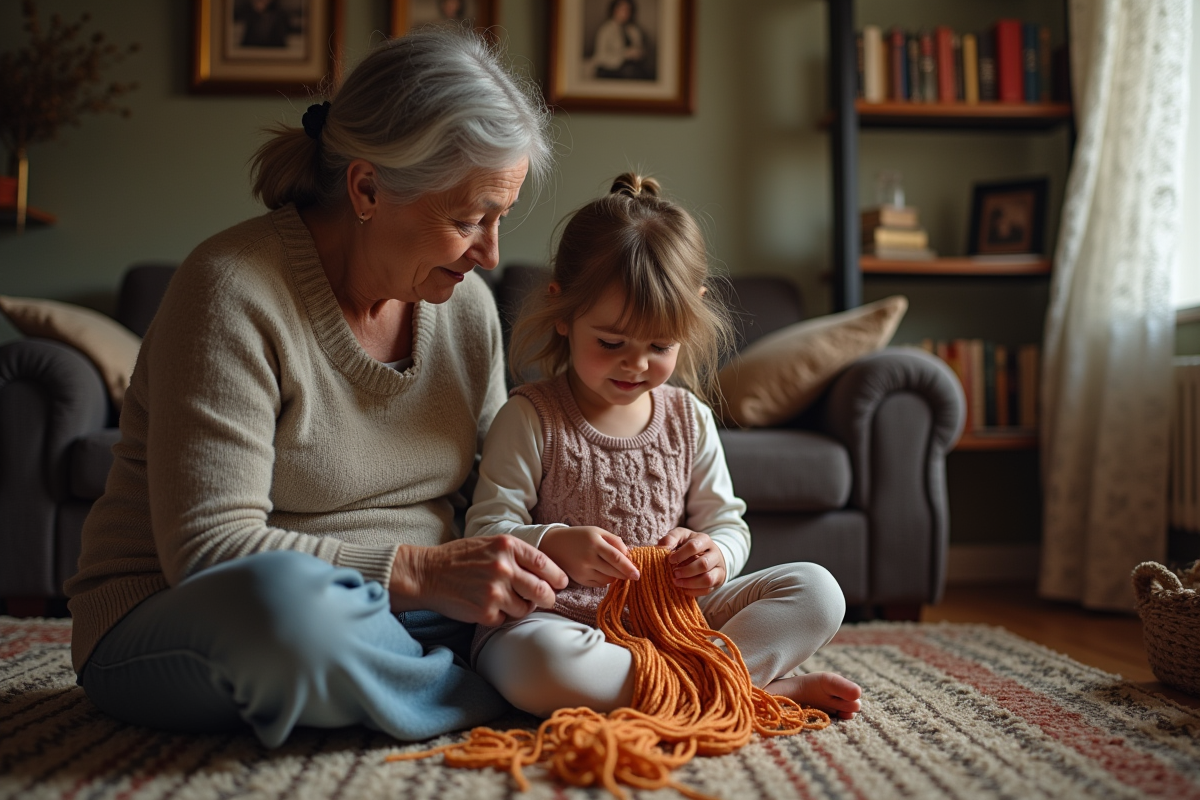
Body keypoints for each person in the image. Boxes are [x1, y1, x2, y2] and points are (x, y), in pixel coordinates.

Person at [63, 29, 565, 748]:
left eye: (499, 219)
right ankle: (492, 697)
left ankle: (424, 680)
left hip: (404, 618)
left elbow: (491, 497)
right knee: (293, 616)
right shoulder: (232, 289)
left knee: (564, 607)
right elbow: (209, 548)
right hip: (195, 613)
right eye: (467, 219)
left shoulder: (468, 308)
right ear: (367, 187)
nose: (489, 253)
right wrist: (419, 570)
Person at [465, 173, 864, 721]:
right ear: (562, 312)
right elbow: (485, 532)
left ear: (690, 315)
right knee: (538, 663)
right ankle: (745, 687)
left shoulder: (688, 419)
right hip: (559, 618)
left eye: (659, 345)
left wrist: (715, 556)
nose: (636, 364)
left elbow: (728, 524)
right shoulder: (530, 416)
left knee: (819, 593)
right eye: (611, 343)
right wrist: (554, 543)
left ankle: (682, 686)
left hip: (674, 621)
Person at [589, 0, 652, 80]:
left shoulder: (633, 30)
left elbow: (639, 48)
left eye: (628, 10)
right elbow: (600, 56)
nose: (626, 13)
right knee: (630, 73)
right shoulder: (605, 30)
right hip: (610, 67)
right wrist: (624, 54)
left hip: (631, 66)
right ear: (615, 10)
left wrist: (639, 53)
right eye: (623, 9)